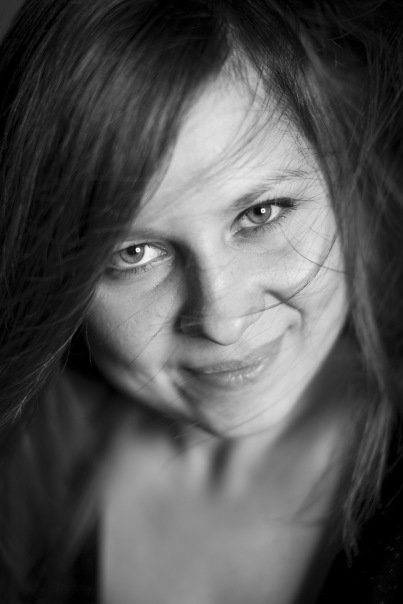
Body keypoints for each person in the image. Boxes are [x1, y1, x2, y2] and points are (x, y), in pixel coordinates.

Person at [0, 0, 402, 602]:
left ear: (349, 183)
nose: (222, 319)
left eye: (261, 213)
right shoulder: (23, 483)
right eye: (132, 254)